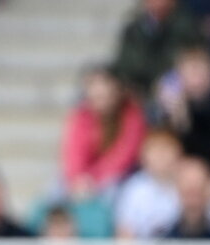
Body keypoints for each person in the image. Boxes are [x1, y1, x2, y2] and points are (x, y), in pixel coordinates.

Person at [112, 0, 203, 96]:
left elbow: (196, 68)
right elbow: (125, 69)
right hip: (141, 97)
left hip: (179, 97)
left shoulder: (189, 29)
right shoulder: (133, 31)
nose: (158, 0)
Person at [61, 65, 148, 198]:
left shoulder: (133, 116)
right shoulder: (81, 115)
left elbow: (123, 156)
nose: (99, 95)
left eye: (105, 94)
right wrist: (77, 179)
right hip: (84, 179)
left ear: (118, 90)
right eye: (95, 93)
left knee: (111, 191)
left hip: (120, 177)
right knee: (55, 192)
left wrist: (93, 180)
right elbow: (73, 153)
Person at [114, 128, 184, 239]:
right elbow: (125, 232)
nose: (161, 156)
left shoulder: (187, 184)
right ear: (143, 156)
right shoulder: (134, 188)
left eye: (166, 149)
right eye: (155, 150)